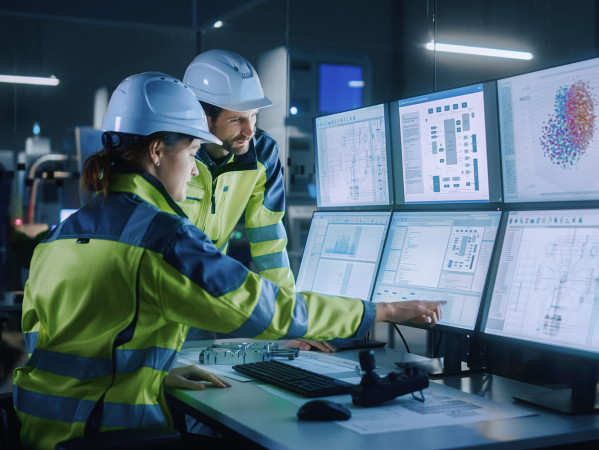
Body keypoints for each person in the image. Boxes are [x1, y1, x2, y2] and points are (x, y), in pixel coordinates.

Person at [12, 71, 445, 449]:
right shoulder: (161, 238)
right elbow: (262, 307)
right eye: (191, 152)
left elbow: (55, 343)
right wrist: (380, 311)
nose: (194, 167)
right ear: (159, 151)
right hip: (110, 433)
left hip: (43, 431)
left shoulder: (62, 235)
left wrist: (155, 375)